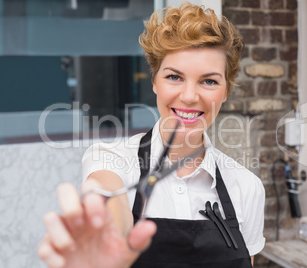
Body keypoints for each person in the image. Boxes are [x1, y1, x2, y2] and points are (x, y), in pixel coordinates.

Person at [38, 3, 265, 267]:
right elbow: (108, 196)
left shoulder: (247, 187)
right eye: (174, 77)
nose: (190, 96)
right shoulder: (111, 158)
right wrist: (105, 233)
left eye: (209, 81)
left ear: (226, 92)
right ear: (154, 82)